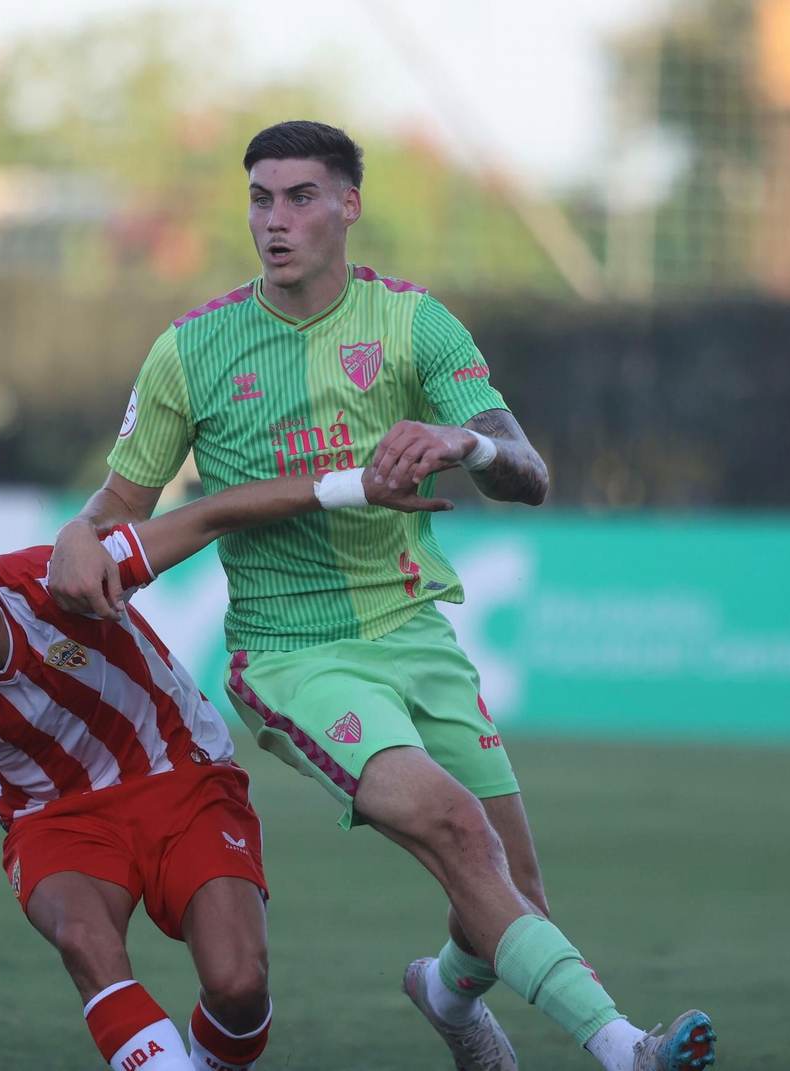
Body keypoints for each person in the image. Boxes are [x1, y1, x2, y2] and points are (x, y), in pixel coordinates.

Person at [49, 120, 716, 1071]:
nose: (275, 221)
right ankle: (625, 1049)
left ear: (349, 206)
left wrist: (465, 443)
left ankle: (445, 993)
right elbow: (118, 507)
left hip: (415, 632)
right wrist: (76, 536)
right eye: (260, 199)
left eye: (301, 198)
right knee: (454, 826)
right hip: (291, 654)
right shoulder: (190, 352)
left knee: (513, 885)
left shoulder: (414, 324)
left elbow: (526, 469)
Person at [0, 468, 452, 1071]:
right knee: (84, 939)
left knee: (238, 987)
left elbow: (211, 514)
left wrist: (360, 486)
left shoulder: (61, 583)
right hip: (54, 822)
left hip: (180, 775)